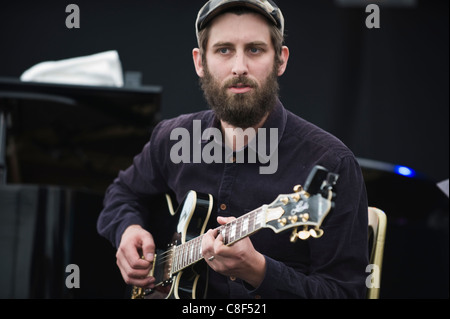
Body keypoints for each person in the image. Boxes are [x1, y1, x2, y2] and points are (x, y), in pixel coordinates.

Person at [97, 0, 369, 299]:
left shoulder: (330, 163)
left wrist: (259, 271)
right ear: (200, 62)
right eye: (224, 50)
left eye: (255, 49)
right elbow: (122, 192)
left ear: (281, 60)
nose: (239, 67)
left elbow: (344, 293)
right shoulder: (173, 137)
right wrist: (128, 229)